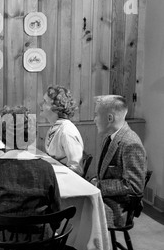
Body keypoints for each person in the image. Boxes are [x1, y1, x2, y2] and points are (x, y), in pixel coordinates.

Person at [0, 105, 61, 233]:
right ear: (31, 134)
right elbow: (56, 217)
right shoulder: (46, 169)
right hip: (41, 247)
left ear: (2, 134)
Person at [91, 95, 147, 228]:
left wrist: (99, 185)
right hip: (107, 198)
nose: (94, 120)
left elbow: (134, 186)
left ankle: (88, 248)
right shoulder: (109, 137)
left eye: (97, 115)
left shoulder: (130, 143)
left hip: (119, 208)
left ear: (110, 118)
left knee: (78, 211)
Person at [39, 85, 84, 176]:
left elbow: (76, 170)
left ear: (55, 107)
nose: (40, 104)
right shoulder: (54, 127)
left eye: (45, 102)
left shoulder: (67, 132)